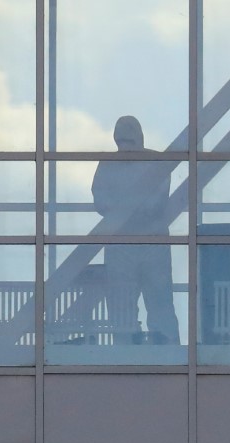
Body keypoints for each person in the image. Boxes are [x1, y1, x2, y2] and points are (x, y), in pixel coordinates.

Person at [91, 116, 180, 344]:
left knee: (159, 297)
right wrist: (120, 211)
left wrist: (131, 211)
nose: (125, 146)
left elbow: (158, 198)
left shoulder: (154, 162)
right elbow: (99, 196)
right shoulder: (108, 164)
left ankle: (166, 347)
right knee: (121, 300)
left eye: (128, 140)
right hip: (121, 242)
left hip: (152, 240)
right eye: (121, 141)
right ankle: (125, 347)